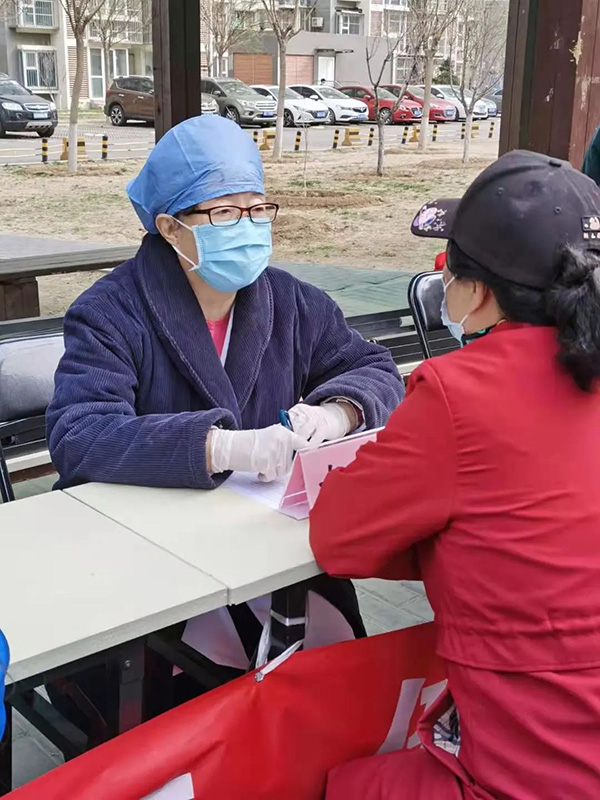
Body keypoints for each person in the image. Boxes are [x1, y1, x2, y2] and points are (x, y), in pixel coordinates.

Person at [46, 114, 404, 711]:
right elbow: (79, 434)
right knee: (183, 705)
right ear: (169, 226)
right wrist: (218, 447)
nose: (248, 228)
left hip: (267, 547)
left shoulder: (289, 299)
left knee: (329, 691)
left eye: (259, 209)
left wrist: (338, 413)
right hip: (149, 559)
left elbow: (372, 368)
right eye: (224, 213)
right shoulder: (110, 311)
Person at [310, 150, 600, 799]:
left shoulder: (459, 393)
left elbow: (338, 537)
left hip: (537, 770)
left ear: (478, 287)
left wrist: (454, 540)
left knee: (343, 783)